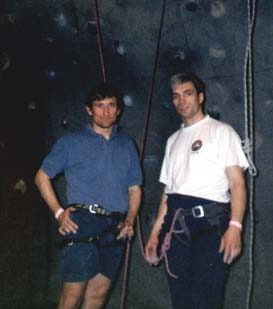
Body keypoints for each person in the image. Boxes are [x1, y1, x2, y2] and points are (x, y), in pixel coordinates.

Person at [145, 72, 249, 309]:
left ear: (200, 97)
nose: (182, 101)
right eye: (176, 96)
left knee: (207, 300)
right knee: (180, 300)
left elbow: (237, 184)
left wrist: (235, 227)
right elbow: (168, 192)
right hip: (176, 224)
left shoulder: (222, 132)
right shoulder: (173, 140)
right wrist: (154, 234)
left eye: (187, 93)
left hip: (210, 225)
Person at [35, 82, 142, 309]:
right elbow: (41, 176)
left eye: (111, 105)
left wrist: (130, 220)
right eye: (99, 105)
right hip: (82, 223)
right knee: (71, 297)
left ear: (119, 110)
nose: (106, 111)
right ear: (88, 110)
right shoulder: (71, 142)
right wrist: (59, 213)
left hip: (115, 226)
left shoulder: (126, 144)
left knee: (97, 297)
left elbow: (135, 188)